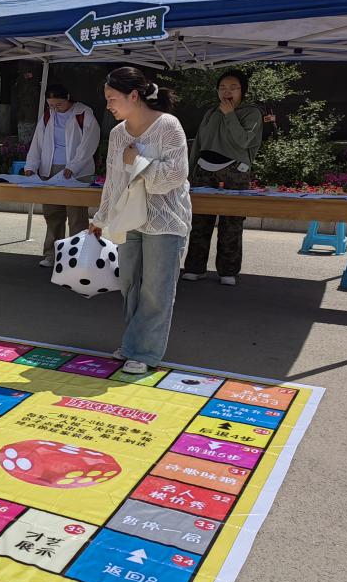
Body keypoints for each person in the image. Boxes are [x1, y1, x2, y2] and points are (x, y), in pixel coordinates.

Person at [89, 67, 191, 376]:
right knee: (130, 284)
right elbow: (113, 180)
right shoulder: (118, 133)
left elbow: (175, 176)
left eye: (112, 98)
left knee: (156, 289)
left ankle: (144, 351)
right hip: (128, 217)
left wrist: (139, 162)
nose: (108, 105)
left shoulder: (168, 125)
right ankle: (134, 343)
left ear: (133, 96)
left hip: (165, 218)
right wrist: (101, 217)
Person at [182, 69, 263, 286]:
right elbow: (199, 144)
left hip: (235, 170)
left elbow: (243, 141)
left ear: (242, 91)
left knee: (231, 222)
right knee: (199, 221)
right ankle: (195, 267)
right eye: (222, 88)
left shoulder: (251, 113)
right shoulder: (211, 113)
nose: (227, 92)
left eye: (233, 88)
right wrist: (189, 173)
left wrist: (230, 115)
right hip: (204, 170)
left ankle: (228, 270)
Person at [23, 84, 101, 268]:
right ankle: (52, 254)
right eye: (51, 105)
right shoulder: (48, 115)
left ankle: (77, 257)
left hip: (77, 171)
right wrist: (31, 165)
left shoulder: (84, 113)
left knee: (76, 216)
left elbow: (89, 144)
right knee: (52, 214)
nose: (55, 108)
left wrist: (73, 166)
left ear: (68, 98)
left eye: (59, 104)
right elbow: (37, 142)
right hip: (50, 169)